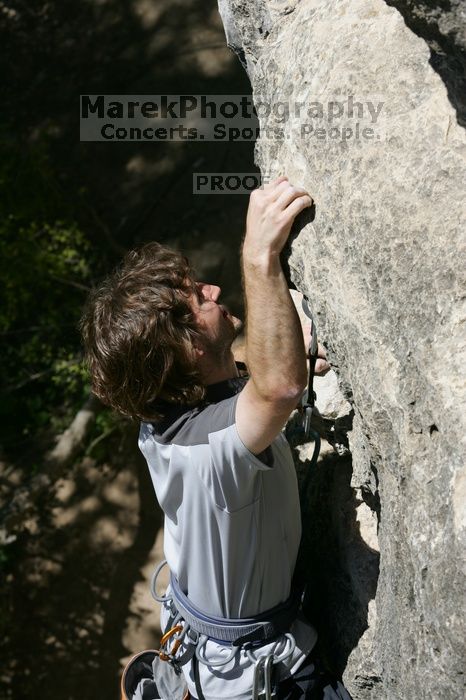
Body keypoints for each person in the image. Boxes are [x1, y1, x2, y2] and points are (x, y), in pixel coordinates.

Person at [80, 176, 352, 700]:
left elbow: (256, 379)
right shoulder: (206, 452)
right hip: (258, 681)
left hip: (201, 638)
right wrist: (258, 257)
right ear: (183, 355)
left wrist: (286, 348)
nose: (213, 290)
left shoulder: (164, 414)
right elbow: (278, 387)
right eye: (196, 302)